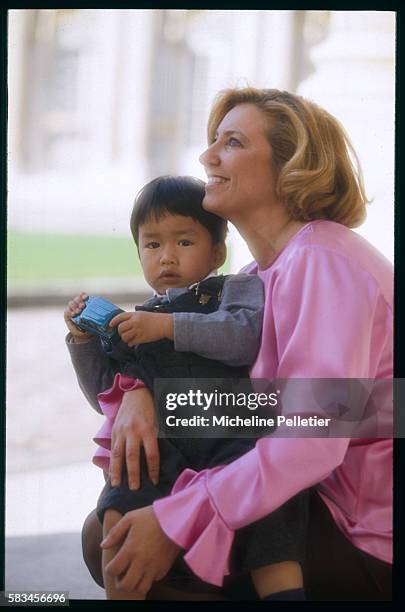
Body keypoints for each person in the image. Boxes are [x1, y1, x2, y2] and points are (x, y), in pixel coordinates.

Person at [76, 88, 393, 601]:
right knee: (114, 532)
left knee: (120, 541)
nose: (207, 156)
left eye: (233, 141)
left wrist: (180, 516)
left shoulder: (327, 262)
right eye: (212, 142)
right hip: (309, 496)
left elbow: (314, 435)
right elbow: (252, 406)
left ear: (293, 165)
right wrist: (140, 394)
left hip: (363, 530)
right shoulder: (261, 274)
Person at [65, 175, 310, 601]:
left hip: (233, 445)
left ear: (217, 251)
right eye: (153, 244)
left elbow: (242, 337)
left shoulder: (234, 290)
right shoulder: (136, 322)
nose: (167, 257)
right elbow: (108, 397)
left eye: (184, 241)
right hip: (165, 454)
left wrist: (167, 326)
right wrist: (84, 342)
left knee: (273, 510)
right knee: (119, 501)